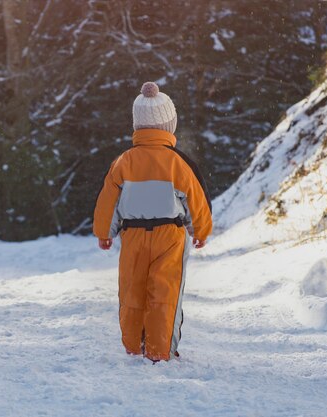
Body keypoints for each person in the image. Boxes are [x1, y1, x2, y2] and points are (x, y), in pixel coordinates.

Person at [93, 81, 213, 363]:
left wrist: (104, 232)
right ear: (169, 126)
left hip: (132, 236)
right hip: (170, 235)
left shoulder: (124, 161)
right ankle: (160, 350)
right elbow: (195, 198)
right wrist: (201, 230)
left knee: (132, 290)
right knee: (165, 292)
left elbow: (107, 200)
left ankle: (134, 345)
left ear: (138, 127)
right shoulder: (177, 163)